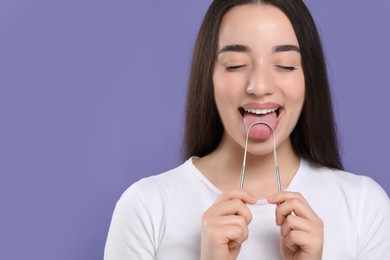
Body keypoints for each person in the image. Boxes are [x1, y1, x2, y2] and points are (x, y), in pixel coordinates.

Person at [104, 0, 390, 259]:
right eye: (236, 65)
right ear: (209, 79)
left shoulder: (364, 206)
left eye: (285, 65)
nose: (259, 86)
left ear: (309, 79)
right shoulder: (146, 208)